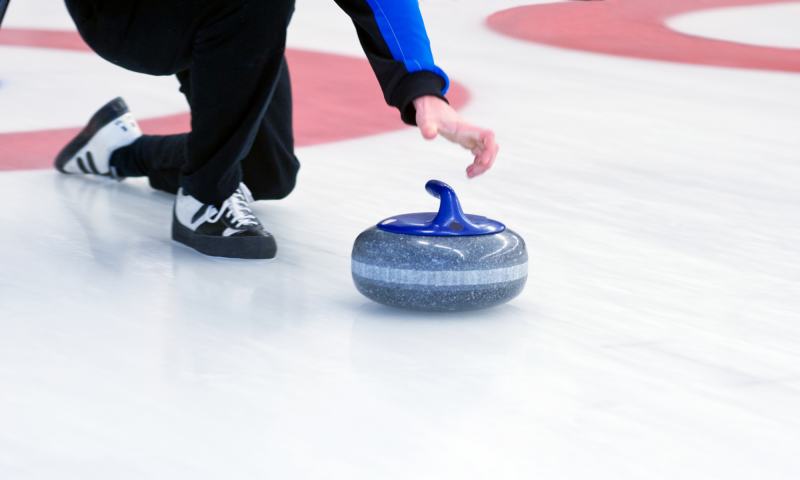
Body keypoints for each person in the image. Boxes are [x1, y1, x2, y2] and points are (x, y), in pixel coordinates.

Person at [53, 0, 499, 259]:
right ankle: (206, 198)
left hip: (227, 14)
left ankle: (120, 149)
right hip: (127, 12)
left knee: (265, 171)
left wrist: (422, 89)